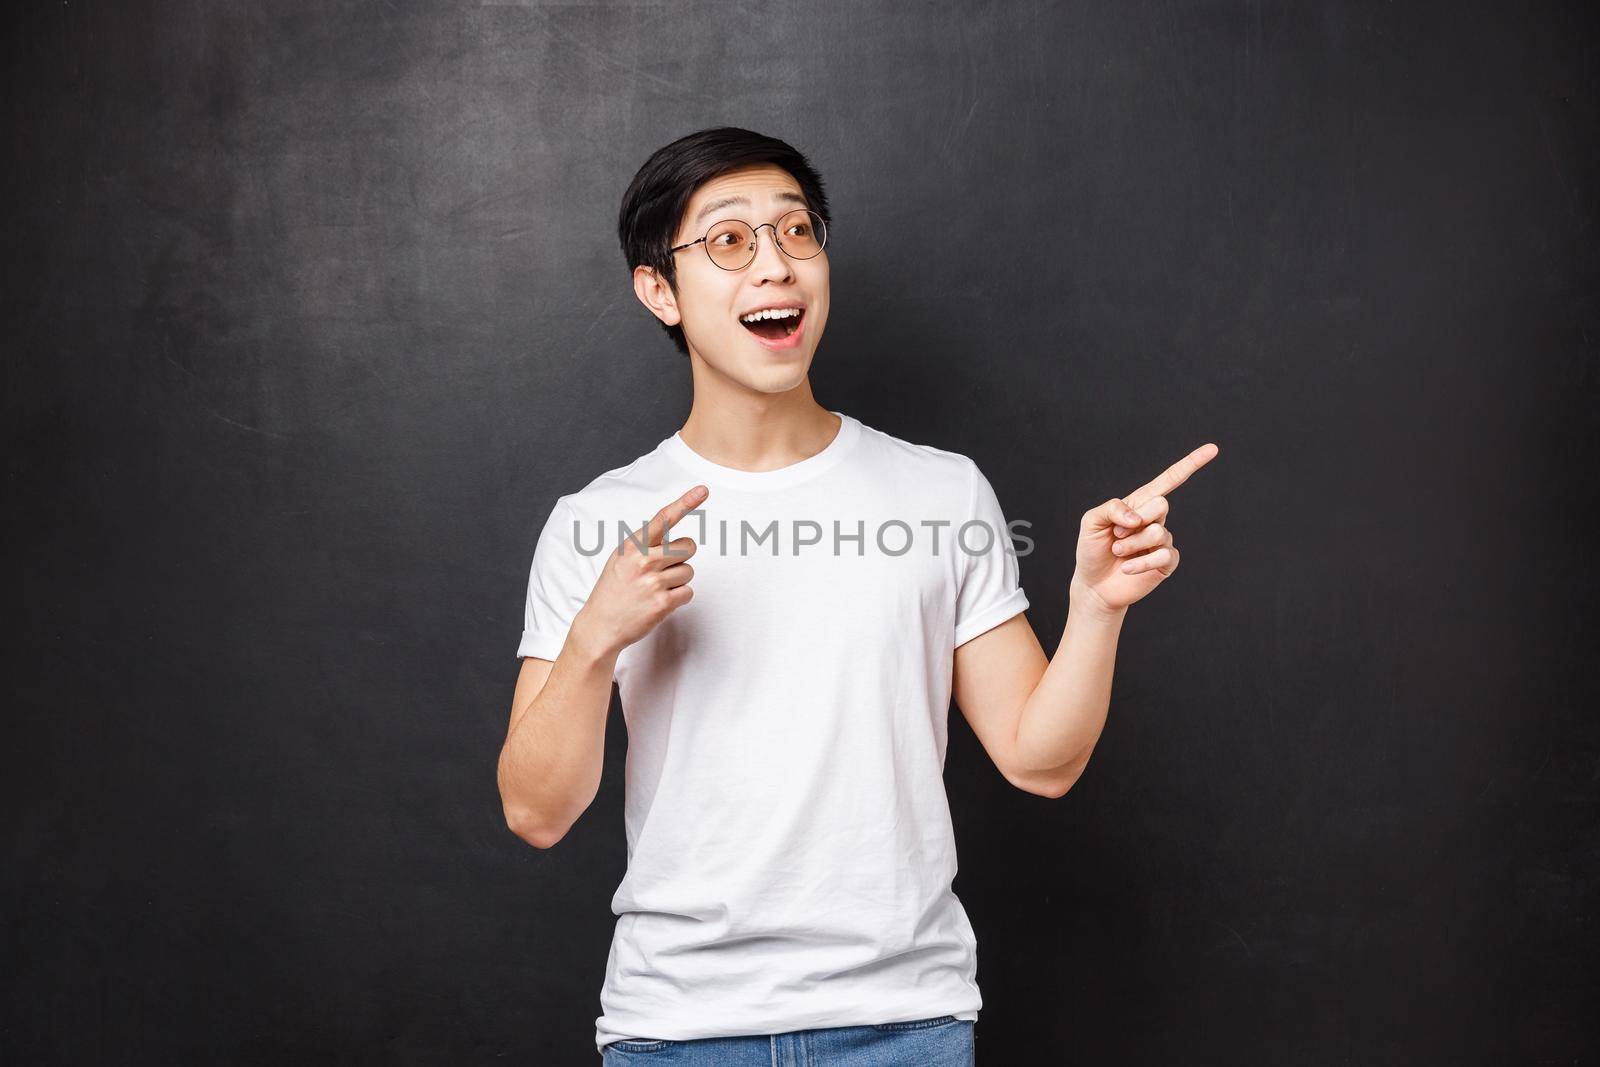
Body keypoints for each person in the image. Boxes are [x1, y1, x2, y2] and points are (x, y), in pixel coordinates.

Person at [497, 126, 1216, 1064]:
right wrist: (595, 637)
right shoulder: (600, 522)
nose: (775, 267)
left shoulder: (940, 492)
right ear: (658, 289)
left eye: (798, 232)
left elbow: (1042, 760)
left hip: (905, 1024)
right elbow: (536, 811)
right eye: (728, 241)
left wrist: (1096, 605)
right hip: (681, 1030)